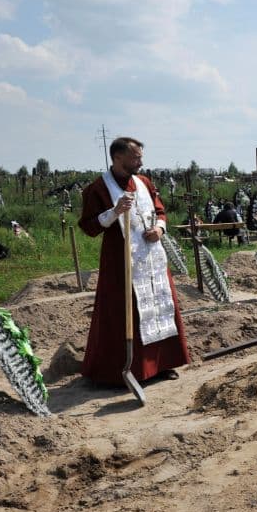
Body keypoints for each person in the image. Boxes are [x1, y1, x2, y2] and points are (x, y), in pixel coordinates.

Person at [78, 137, 190, 386]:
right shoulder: (99, 188)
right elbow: (89, 226)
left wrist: (159, 230)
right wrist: (115, 212)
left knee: (160, 307)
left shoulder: (144, 182)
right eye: (135, 157)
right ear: (118, 157)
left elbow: (160, 211)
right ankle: (119, 372)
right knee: (123, 312)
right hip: (122, 261)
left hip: (152, 258)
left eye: (140, 156)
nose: (140, 161)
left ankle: (160, 364)